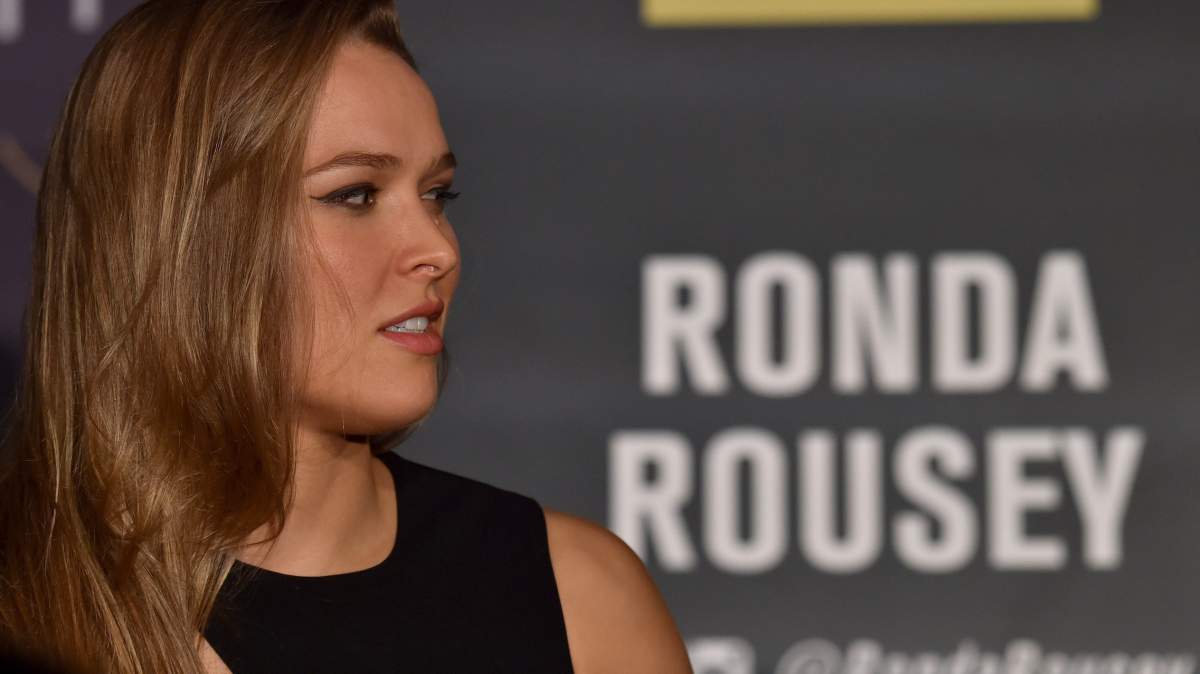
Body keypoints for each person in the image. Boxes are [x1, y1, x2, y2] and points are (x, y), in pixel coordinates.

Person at [0, 1, 693, 672]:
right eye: (355, 195)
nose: (438, 249)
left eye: (437, 194)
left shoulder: (579, 600)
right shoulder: (28, 607)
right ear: (179, 235)